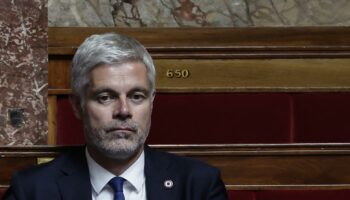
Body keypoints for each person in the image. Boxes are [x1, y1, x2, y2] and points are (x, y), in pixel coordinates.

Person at [3, 33, 228, 200]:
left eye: (136, 96)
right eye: (105, 97)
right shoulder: (32, 191)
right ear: (77, 106)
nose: (123, 110)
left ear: (152, 102)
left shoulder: (199, 186)